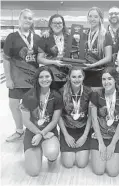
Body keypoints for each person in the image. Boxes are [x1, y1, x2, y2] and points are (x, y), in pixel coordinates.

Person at [3, 9, 40, 142]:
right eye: (25, 17)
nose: (27, 20)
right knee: (14, 105)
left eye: (30, 18)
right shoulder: (11, 37)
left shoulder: (37, 38)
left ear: (32, 21)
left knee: (32, 107)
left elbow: (42, 57)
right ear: (20, 19)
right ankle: (19, 130)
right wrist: (8, 78)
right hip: (16, 80)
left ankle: (34, 131)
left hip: (32, 81)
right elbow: (6, 59)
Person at [20, 66, 63, 176]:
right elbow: (26, 121)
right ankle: (37, 151)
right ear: (37, 79)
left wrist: (42, 134)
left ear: (52, 78)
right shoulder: (28, 96)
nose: (45, 79)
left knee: (52, 153)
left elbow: (54, 121)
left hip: (49, 132)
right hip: (32, 133)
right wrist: (38, 134)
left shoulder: (56, 96)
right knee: (33, 172)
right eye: (41, 77)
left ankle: (50, 156)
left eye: (47, 76)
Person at [90, 67, 119, 177]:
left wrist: (112, 144)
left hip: (115, 137)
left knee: (113, 172)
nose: (106, 82)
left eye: (109, 79)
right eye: (104, 79)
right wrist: (101, 143)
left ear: (115, 79)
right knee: (99, 171)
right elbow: (94, 119)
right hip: (98, 136)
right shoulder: (96, 94)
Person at [59, 67, 92, 168]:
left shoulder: (89, 92)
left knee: (82, 164)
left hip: (83, 130)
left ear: (83, 77)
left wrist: (85, 136)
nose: (76, 79)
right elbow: (59, 116)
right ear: (69, 77)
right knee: (68, 164)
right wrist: (66, 135)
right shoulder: (62, 92)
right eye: (73, 77)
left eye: (79, 76)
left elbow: (91, 116)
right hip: (67, 130)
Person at [37, 14, 70, 91]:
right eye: (54, 23)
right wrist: (54, 62)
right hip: (51, 77)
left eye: (59, 23)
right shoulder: (45, 38)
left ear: (63, 24)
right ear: (50, 25)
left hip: (67, 76)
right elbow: (39, 59)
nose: (57, 25)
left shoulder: (70, 38)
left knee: (66, 100)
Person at [83, 7, 112, 87]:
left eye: (96, 17)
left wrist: (93, 65)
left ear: (100, 19)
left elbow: (108, 58)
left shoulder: (106, 34)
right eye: (90, 16)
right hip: (85, 72)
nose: (92, 19)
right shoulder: (85, 34)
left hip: (99, 73)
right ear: (87, 18)